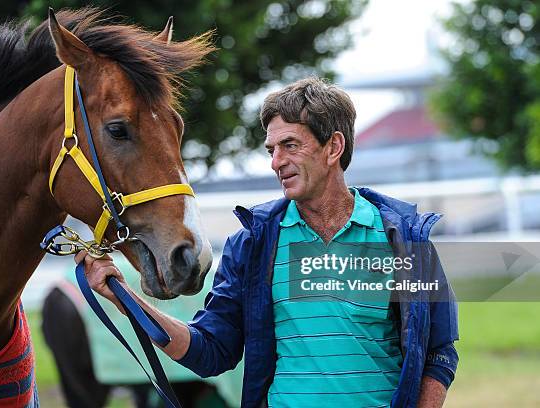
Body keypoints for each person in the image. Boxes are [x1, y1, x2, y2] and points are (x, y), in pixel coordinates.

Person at [77, 77, 459, 407]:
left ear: (333, 147)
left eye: (290, 145)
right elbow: (210, 351)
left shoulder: (404, 240)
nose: (276, 162)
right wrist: (124, 297)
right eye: (271, 150)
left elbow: (439, 351)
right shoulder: (254, 244)